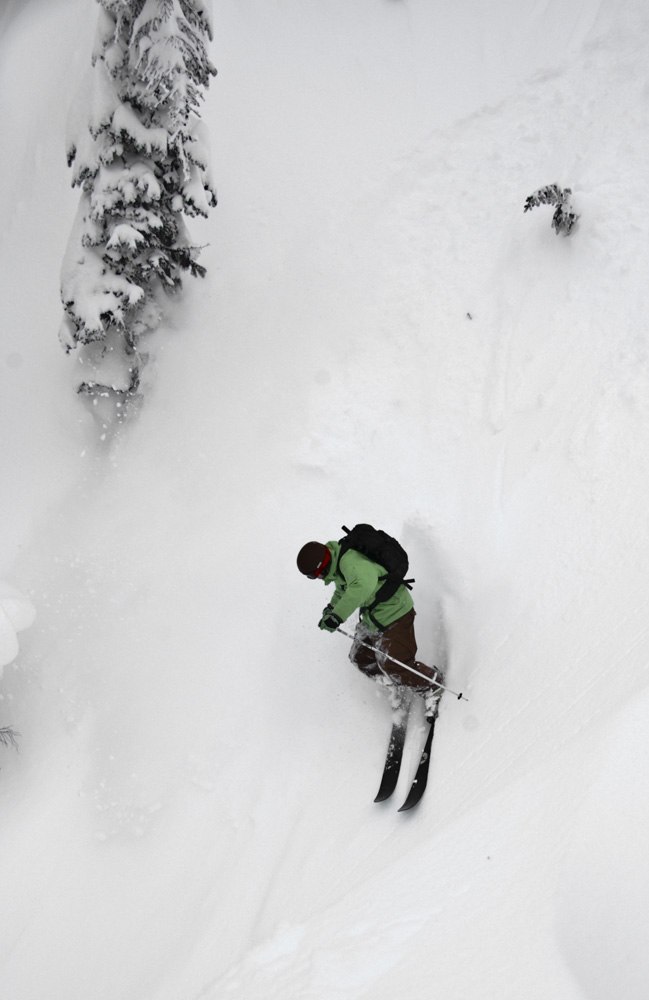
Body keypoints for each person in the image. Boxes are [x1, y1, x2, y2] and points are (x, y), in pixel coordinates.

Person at [296, 537, 443, 719]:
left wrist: (337, 616)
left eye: (313, 575)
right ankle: (396, 682)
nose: (315, 579)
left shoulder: (351, 563)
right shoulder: (338, 566)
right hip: (373, 618)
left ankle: (431, 685)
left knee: (394, 664)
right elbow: (343, 590)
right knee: (360, 657)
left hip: (395, 614)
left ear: (321, 567)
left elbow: (362, 586)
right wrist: (331, 609)